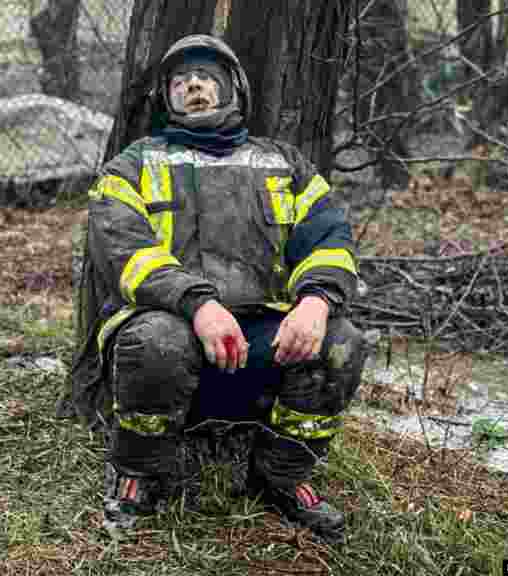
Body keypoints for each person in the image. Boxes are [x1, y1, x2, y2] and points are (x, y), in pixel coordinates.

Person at [62, 34, 369, 542]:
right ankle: (140, 473)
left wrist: (316, 302)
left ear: (235, 89)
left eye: (207, 77)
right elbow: (123, 251)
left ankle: (282, 476)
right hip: (170, 328)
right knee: (156, 341)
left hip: (263, 337)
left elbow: (329, 240)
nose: (194, 86)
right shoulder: (133, 166)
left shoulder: (285, 165)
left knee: (342, 344)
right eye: (181, 81)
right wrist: (198, 304)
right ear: (166, 98)